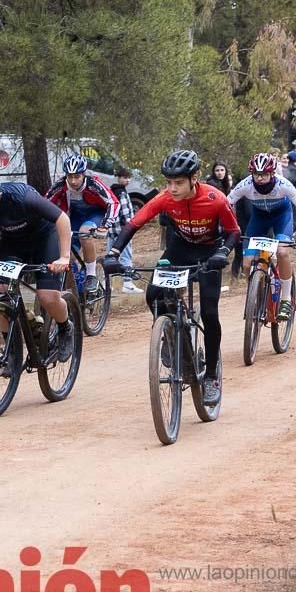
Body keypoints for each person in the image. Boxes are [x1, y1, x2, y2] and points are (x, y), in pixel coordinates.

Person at [103, 150, 240, 406]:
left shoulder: (215, 198)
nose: (172, 188)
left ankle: (211, 376)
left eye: (178, 183)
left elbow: (234, 232)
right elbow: (134, 224)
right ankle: (169, 336)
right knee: (153, 295)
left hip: (210, 253)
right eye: (168, 182)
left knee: (210, 313)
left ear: (194, 178)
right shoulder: (165, 199)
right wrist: (113, 254)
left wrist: (224, 252)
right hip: (178, 250)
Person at [0, 170, 75, 363]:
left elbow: (62, 219)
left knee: (47, 297)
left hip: (44, 237)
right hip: (13, 241)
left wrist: (64, 257)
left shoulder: (23, 197)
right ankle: (12, 351)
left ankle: (66, 327)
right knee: (3, 296)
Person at [227, 154, 296, 320]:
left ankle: (285, 299)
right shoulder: (246, 185)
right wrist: (225, 229)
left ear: (272, 173)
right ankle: (253, 297)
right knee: (247, 264)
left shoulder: (283, 184)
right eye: (256, 174)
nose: (260, 178)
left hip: (281, 217)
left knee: (282, 252)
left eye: (264, 174)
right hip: (259, 219)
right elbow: (226, 204)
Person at [46, 155, 118, 295]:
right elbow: (44, 203)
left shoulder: (94, 183)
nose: (73, 181)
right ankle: (76, 281)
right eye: (70, 176)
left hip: (95, 215)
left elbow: (113, 202)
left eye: (77, 176)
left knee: (84, 233)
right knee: (65, 248)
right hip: (74, 217)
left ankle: (91, 276)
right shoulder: (60, 185)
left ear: (84, 174)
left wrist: (105, 226)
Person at [107, 167, 142, 293]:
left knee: (109, 257)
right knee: (126, 256)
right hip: (122, 231)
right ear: (118, 178)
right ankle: (127, 283)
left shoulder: (111, 192)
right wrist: (129, 228)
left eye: (128, 177)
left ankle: (107, 284)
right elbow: (126, 213)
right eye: (125, 177)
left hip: (111, 231)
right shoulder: (121, 193)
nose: (128, 180)